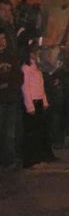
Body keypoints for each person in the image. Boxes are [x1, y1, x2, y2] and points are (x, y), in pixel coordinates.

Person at [21, 47, 57, 168]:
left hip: (40, 101)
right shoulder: (26, 68)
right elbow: (26, 88)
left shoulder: (38, 67)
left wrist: (45, 101)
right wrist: (29, 106)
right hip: (33, 102)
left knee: (40, 131)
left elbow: (41, 86)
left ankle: (39, 157)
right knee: (32, 132)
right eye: (35, 52)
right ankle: (30, 160)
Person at [0, 28, 21, 171]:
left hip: (10, 100)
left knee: (9, 133)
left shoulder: (10, 57)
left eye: (3, 39)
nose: (2, 43)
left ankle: (10, 160)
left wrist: (10, 86)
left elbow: (18, 77)